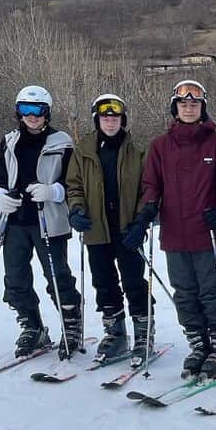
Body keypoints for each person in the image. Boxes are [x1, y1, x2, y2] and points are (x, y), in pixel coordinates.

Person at [124, 80, 216, 380]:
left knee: (212, 292)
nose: (189, 108)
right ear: (175, 108)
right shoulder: (160, 146)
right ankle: (198, 344)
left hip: (207, 233)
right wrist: (148, 208)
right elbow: (152, 184)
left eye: (195, 104)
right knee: (185, 294)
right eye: (184, 104)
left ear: (203, 108)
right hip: (174, 233)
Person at [0, 85, 82, 358]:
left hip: (48, 220)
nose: (32, 116)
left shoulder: (62, 142)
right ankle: (32, 326)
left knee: (57, 276)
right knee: (15, 279)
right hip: (15, 220)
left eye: (38, 110)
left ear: (47, 113)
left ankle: (71, 325)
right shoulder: (9, 141)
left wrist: (54, 191)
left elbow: (73, 180)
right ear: (18, 112)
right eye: (25, 110)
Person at [64, 94, 151, 365]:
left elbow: (147, 190)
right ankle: (115, 332)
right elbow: (74, 185)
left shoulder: (137, 150)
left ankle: (143, 332)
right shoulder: (84, 150)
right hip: (96, 229)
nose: (110, 122)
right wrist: (76, 209)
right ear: (97, 120)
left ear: (122, 120)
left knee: (134, 281)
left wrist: (141, 221)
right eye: (105, 117)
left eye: (115, 118)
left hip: (127, 229)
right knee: (103, 282)